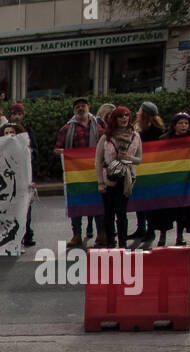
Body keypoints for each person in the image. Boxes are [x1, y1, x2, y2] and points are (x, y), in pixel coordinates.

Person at [54, 97, 102, 247]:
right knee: (77, 205)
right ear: (74, 111)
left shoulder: (99, 125)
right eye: (77, 107)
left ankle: (102, 234)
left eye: (83, 106)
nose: (81, 108)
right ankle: (76, 235)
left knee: (98, 203)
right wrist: (62, 152)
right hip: (76, 174)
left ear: (88, 107)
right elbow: (56, 148)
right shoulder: (66, 129)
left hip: (96, 172)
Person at [96, 106, 142, 249]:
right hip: (109, 179)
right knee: (108, 213)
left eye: (126, 116)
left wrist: (129, 158)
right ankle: (111, 241)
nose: (124, 119)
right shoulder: (106, 137)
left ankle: (122, 243)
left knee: (122, 213)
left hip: (126, 179)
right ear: (115, 119)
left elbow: (139, 159)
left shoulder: (135, 136)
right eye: (120, 116)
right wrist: (100, 182)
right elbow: (98, 161)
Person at [155, 112, 190, 246]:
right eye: (180, 123)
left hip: (185, 181)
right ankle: (162, 236)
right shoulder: (164, 139)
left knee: (182, 209)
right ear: (174, 125)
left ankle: (179, 235)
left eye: (186, 123)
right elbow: (156, 157)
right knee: (165, 209)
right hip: (168, 181)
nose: (183, 126)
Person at [130, 102, 166, 243]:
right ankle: (141, 228)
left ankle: (150, 230)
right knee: (139, 199)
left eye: (140, 111)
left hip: (151, 170)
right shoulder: (137, 128)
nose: (138, 113)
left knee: (149, 202)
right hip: (138, 168)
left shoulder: (157, 131)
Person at [8, 103, 37, 247]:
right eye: (14, 114)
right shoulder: (5, 130)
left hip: (25, 175)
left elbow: (35, 151)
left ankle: (27, 233)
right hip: (9, 176)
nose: (17, 116)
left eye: (19, 114)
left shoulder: (28, 131)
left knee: (26, 205)